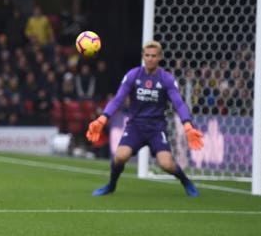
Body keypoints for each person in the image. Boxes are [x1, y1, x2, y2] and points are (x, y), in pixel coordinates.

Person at [86, 40, 204, 197]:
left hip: (156, 128)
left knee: (166, 164)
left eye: (153, 56)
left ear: (159, 57)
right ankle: (111, 185)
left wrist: (187, 125)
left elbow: (179, 103)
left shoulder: (166, 78)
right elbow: (118, 99)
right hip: (135, 126)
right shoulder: (133, 75)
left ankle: (186, 181)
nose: (150, 59)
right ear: (143, 56)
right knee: (120, 156)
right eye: (147, 55)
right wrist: (103, 118)